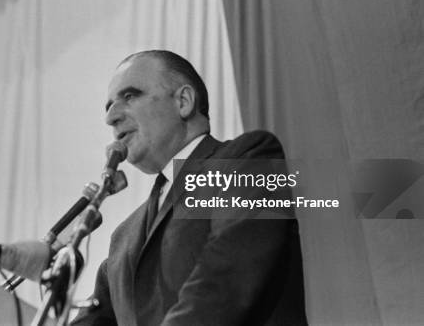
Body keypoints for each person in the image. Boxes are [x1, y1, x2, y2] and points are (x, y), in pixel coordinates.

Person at [72, 50, 307, 325]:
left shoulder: (247, 159)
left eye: (130, 96)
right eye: (109, 106)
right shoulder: (124, 237)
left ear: (183, 101)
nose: (111, 117)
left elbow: (226, 280)